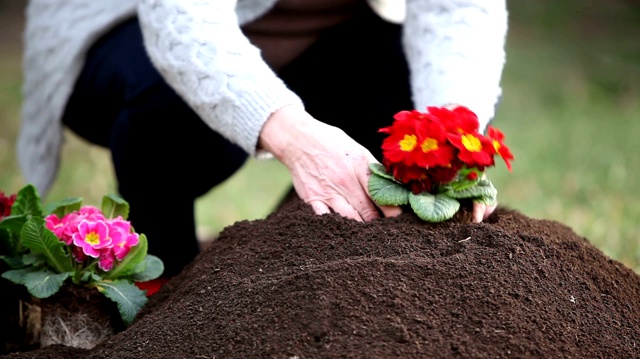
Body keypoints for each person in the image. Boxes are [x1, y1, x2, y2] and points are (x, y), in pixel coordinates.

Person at [18, 0, 508, 277]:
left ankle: (301, 267)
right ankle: (164, 285)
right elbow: (180, 23)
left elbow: (459, 12)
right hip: (126, 31)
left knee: (402, 82)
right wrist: (297, 139)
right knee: (168, 101)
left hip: (321, 40)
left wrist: (452, 140)